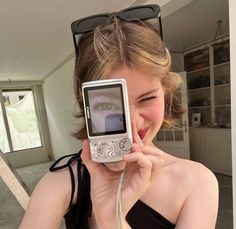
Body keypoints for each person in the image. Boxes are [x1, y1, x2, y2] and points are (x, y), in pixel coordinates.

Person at [19, 4, 219, 229]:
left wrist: (112, 221)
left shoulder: (197, 183)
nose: (133, 122)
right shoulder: (62, 182)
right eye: (109, 104)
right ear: (87, 106)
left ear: (166, 92)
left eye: (146, 99)